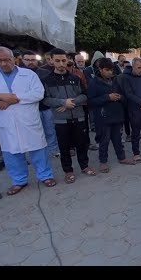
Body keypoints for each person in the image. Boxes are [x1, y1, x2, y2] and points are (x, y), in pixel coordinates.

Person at [0, 47, 56, 195]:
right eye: (0, 60)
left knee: (38, 148)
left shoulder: (28, 74)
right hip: (5, 120)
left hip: (27, 118)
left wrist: (13, 99)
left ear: (14, 58)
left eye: (7, 59)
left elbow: (38, 93)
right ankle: (19, 180)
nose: (4, 63)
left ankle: (45, 176)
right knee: (11, 151)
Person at [42, 48, 96, 183]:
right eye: (57, 61)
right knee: (64, 147)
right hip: (61, 120)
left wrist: (72, 102)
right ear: (51, 61)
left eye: (63, 60)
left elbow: (84, 95)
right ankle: (68, 171)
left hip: (79, 117)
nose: (61, 64)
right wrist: (62, 102)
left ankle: (84, 166)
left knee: (82, 144)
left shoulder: (75, 78)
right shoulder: (47, 80)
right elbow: (45, 99)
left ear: (68, 61)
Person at [88, 58, 135, 172]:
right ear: (100, 69)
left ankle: (122, 157)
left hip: (117, 115)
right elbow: (91, 101)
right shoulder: (94, 83)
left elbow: (124, 95)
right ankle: (103, 162)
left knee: (118, 139)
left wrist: (120, 97)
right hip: (103, 117)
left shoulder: (116, 80)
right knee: (104, 140)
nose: (110, 72)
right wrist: (107, 97)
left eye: (111, 70)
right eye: (107, 70)